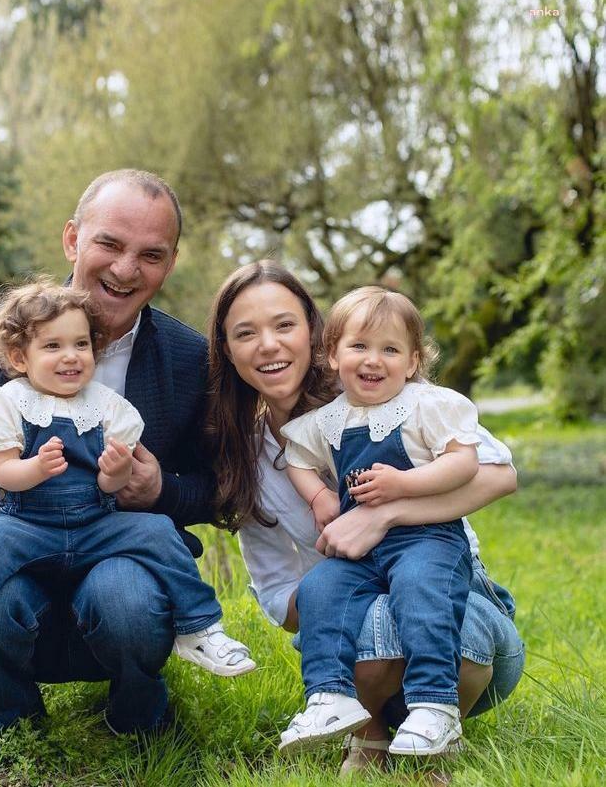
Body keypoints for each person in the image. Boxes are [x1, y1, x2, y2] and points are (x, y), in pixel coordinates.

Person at [0, 170, 223, 775]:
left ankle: (140, 710)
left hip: (117, 548)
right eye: (110, 244)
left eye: (150, 255)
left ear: (171, 264)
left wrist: (161, 489)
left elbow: (216, 487)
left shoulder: (189, 359)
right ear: (73, 239)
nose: (127, 269)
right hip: (14, 536)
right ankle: (5, 712)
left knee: (127, 603)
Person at [205, 260, 524, 772]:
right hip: (359, 633)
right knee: (341, 603)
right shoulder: (254, 455)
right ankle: (365, 730)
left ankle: (434, 731)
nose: (268, 345)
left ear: (315, 334)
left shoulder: (385, 391)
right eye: (246, 333)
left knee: (420, 598)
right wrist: (341, 587)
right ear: (226, 348)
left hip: (463, 618)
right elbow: (280, 598)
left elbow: (499, 473)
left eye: (284, 325)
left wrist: (385, 514)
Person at [0, 280, 253, 701]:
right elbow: (3, 475)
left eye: (81, 345)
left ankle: (201, 628)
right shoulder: (4, 404)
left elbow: (111, 487)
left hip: (95, 523)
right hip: (27, 523)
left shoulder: (105, 405)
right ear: (20, 357)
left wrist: (117, 471)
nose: (70, 356)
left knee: (158, 532)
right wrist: (33, 467)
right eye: (52, 347)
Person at [280, 285, 482, 755]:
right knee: (319, 589)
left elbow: (463, 461)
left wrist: (403, 485)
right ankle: (329, 696)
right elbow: (297, 458)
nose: (374, 360)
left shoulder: (425, 404)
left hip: (425, 538)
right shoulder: (329, 419)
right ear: (333, 354)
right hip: (361, 548)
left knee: (419, 588)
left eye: (390, 349)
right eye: (359, 346)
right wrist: (317, 500)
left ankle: (435, 705)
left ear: (412, 362)